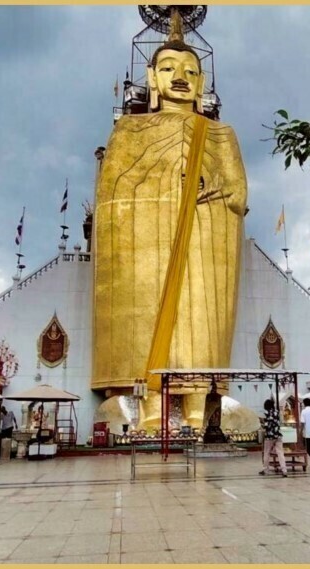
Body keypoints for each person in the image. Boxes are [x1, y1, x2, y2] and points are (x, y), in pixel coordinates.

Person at [92, 9, 248, 426]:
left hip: (202, 239)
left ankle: (198, 411)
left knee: (202, 324)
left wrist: (211, 187)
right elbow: (112, 195)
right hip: (146, 248)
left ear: (201, 83)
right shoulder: (128, 130)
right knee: (145, 322)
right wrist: (164, 189)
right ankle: (150, 411)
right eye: (168, 68)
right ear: (151, 79)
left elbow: (238, 195)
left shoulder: (220, 134)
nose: (180, 77)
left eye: (191, 71)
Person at [259, 399, 287, 478]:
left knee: (267, 453)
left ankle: (265, 470)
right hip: (278, 435)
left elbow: (266, 425)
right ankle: (284, 470)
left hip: (269, 436)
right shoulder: (277, 412)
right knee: (280, 453)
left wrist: (262, 423)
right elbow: (279, 422)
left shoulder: (266, 413)